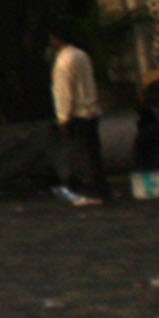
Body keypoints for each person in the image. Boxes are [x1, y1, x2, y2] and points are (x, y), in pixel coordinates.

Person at [51, 34, 108, 202]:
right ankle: (100, 189)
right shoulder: (81, 55)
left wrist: (63, 119)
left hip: (76, 114)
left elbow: (64, 93)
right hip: (91, 111)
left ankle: (89, 192)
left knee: (81, 156)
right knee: (93, 154)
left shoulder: (63, 61)